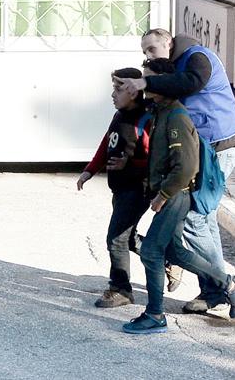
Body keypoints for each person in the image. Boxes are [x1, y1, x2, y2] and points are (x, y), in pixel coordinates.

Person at [115, 29, 235, 314]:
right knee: (204, 220)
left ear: (168, 43)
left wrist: (146, 81)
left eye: (151, 49)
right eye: (144, 51)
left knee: (196, 220)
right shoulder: (173, 68)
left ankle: (223, 287)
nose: (148, 55)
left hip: (217, 147)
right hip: (206, 147)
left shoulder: (197, 58)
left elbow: (190, 83)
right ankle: (217, 289)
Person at [77, 68, 152, 308]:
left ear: (133, 91)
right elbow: (107, 142)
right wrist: (91, 169)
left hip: (136, 189)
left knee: (115, 238)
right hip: (119, 189)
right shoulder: (119, 115)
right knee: (127, 239)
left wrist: (131, 164)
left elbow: (155, 160)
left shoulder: (146, 119)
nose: (113, 94)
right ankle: (162, 256)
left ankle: (120, 289)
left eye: (119, 89)